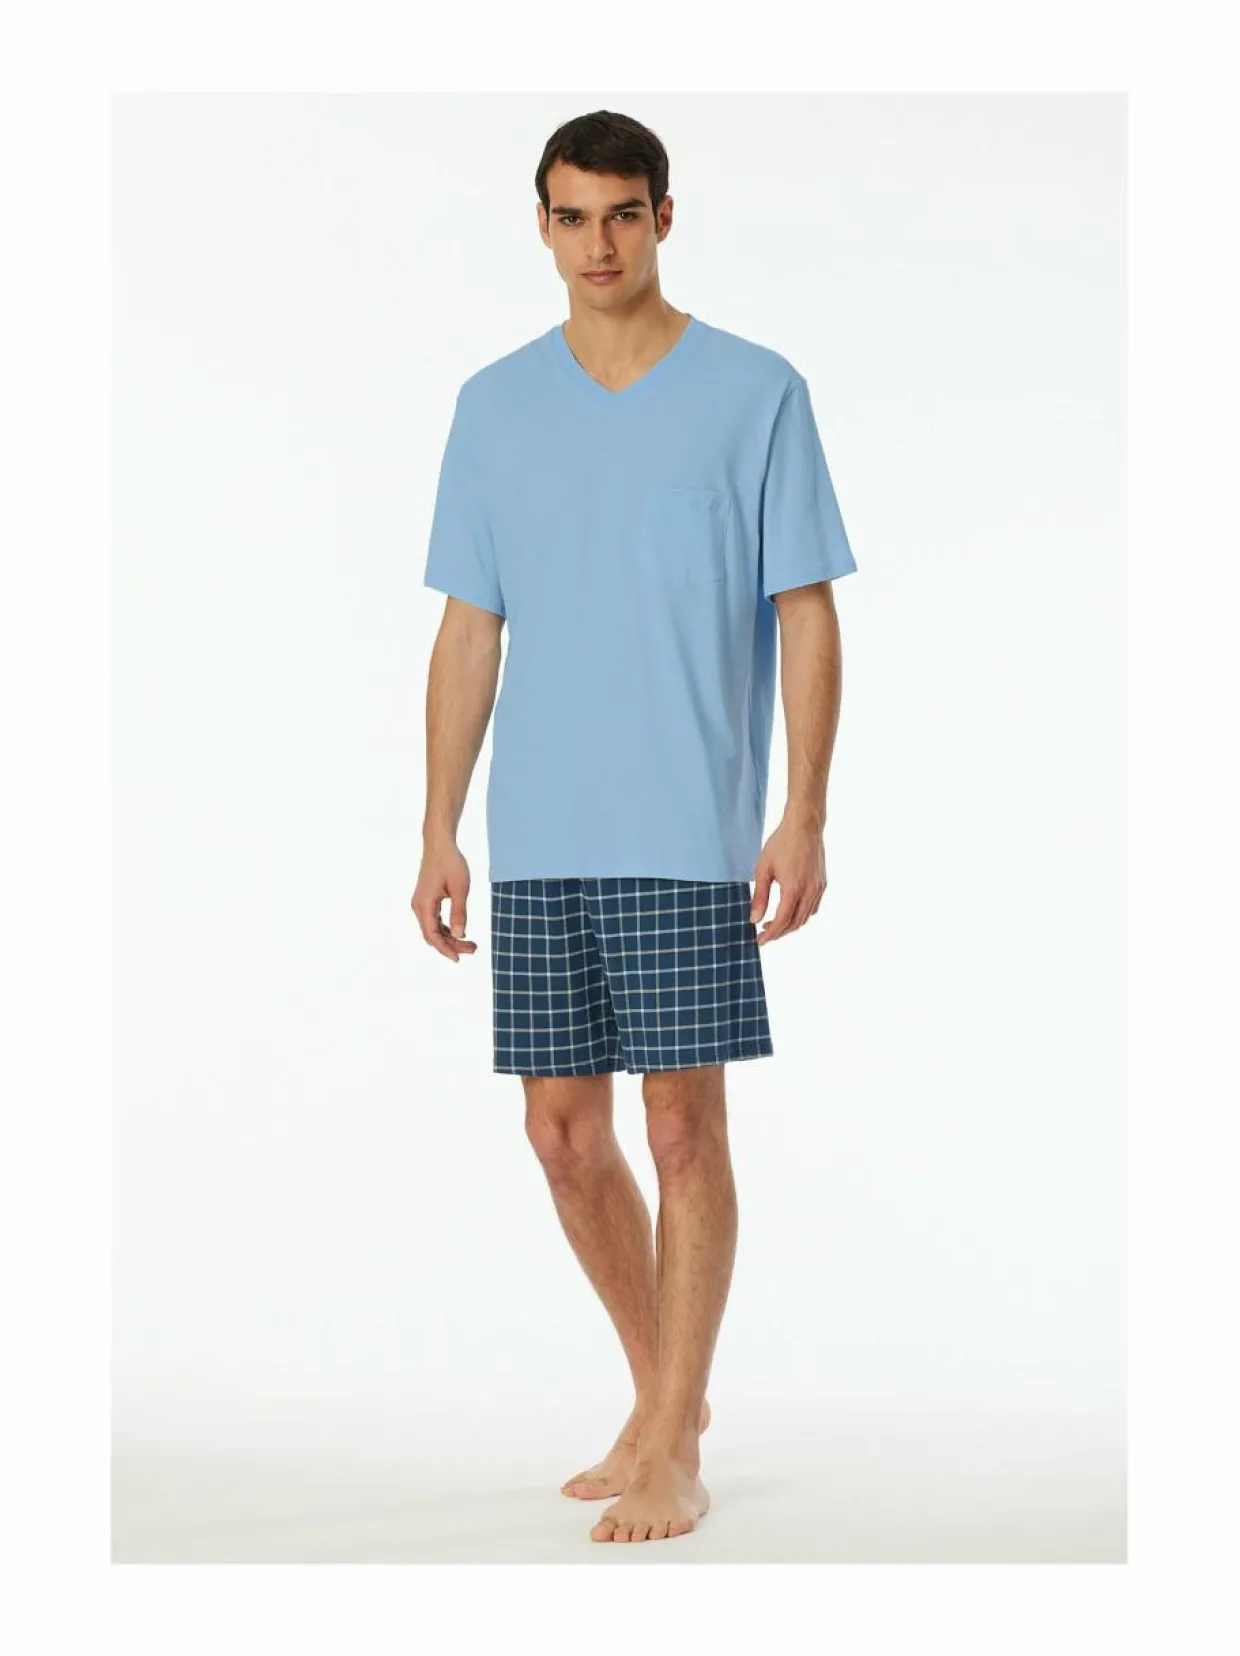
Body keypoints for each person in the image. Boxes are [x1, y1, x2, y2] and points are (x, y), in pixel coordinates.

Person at [412, 109, 856, 1544]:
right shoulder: (494, 407)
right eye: (571, 216)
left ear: (665, 216)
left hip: (686, 826)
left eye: (622, 213)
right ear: (540, 226)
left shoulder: (755, 392)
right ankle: (670, 1394)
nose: (597, 243)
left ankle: (670, 1440)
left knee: (679, 1122)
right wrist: (439, 826)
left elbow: (806, 612)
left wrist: (803, 811)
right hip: (539, 831)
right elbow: (469, 630)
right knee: (560, 1134)